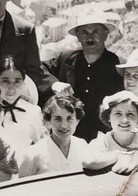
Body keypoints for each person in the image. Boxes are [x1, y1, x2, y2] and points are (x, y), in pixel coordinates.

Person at [46, 11, 123, 141]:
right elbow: (38, 69)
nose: (90, 37)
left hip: (102, 141)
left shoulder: (119, 66)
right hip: (65, 136)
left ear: (105, 35)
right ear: (78, 36)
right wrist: (54, 84)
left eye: (95, 32)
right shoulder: (65, 59)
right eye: (84, 32)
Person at [17, 93, 91, 176]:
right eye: (58, 119)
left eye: (69, 118)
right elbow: (24, 188)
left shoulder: (82, 145)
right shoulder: (33, 154)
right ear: (49, 121)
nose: (64, 125)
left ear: (77, 121)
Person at [0, 56, 44, 152]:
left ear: (23, 82)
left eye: (17, 82)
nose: (11, 88)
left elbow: (41, 146)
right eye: (5, 81)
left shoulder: (33, 112)